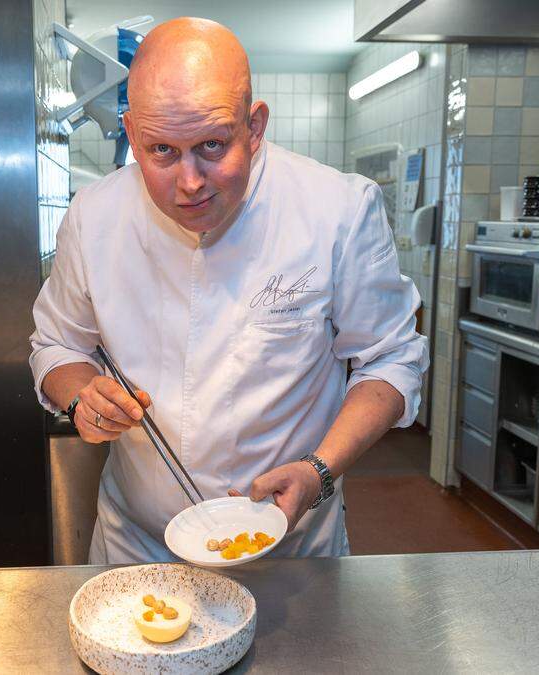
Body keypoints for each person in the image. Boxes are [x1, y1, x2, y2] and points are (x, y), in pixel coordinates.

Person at [29, 17, 428, 564]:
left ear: (255, 125)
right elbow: (55, 346)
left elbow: (390, 360)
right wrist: (81, 396)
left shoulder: (336, 210)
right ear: (131, 129)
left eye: (213, 145)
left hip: (290, 548)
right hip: (139, 547)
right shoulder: (94, 217)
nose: (190, 181)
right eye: (161, 151)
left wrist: (320, 469)